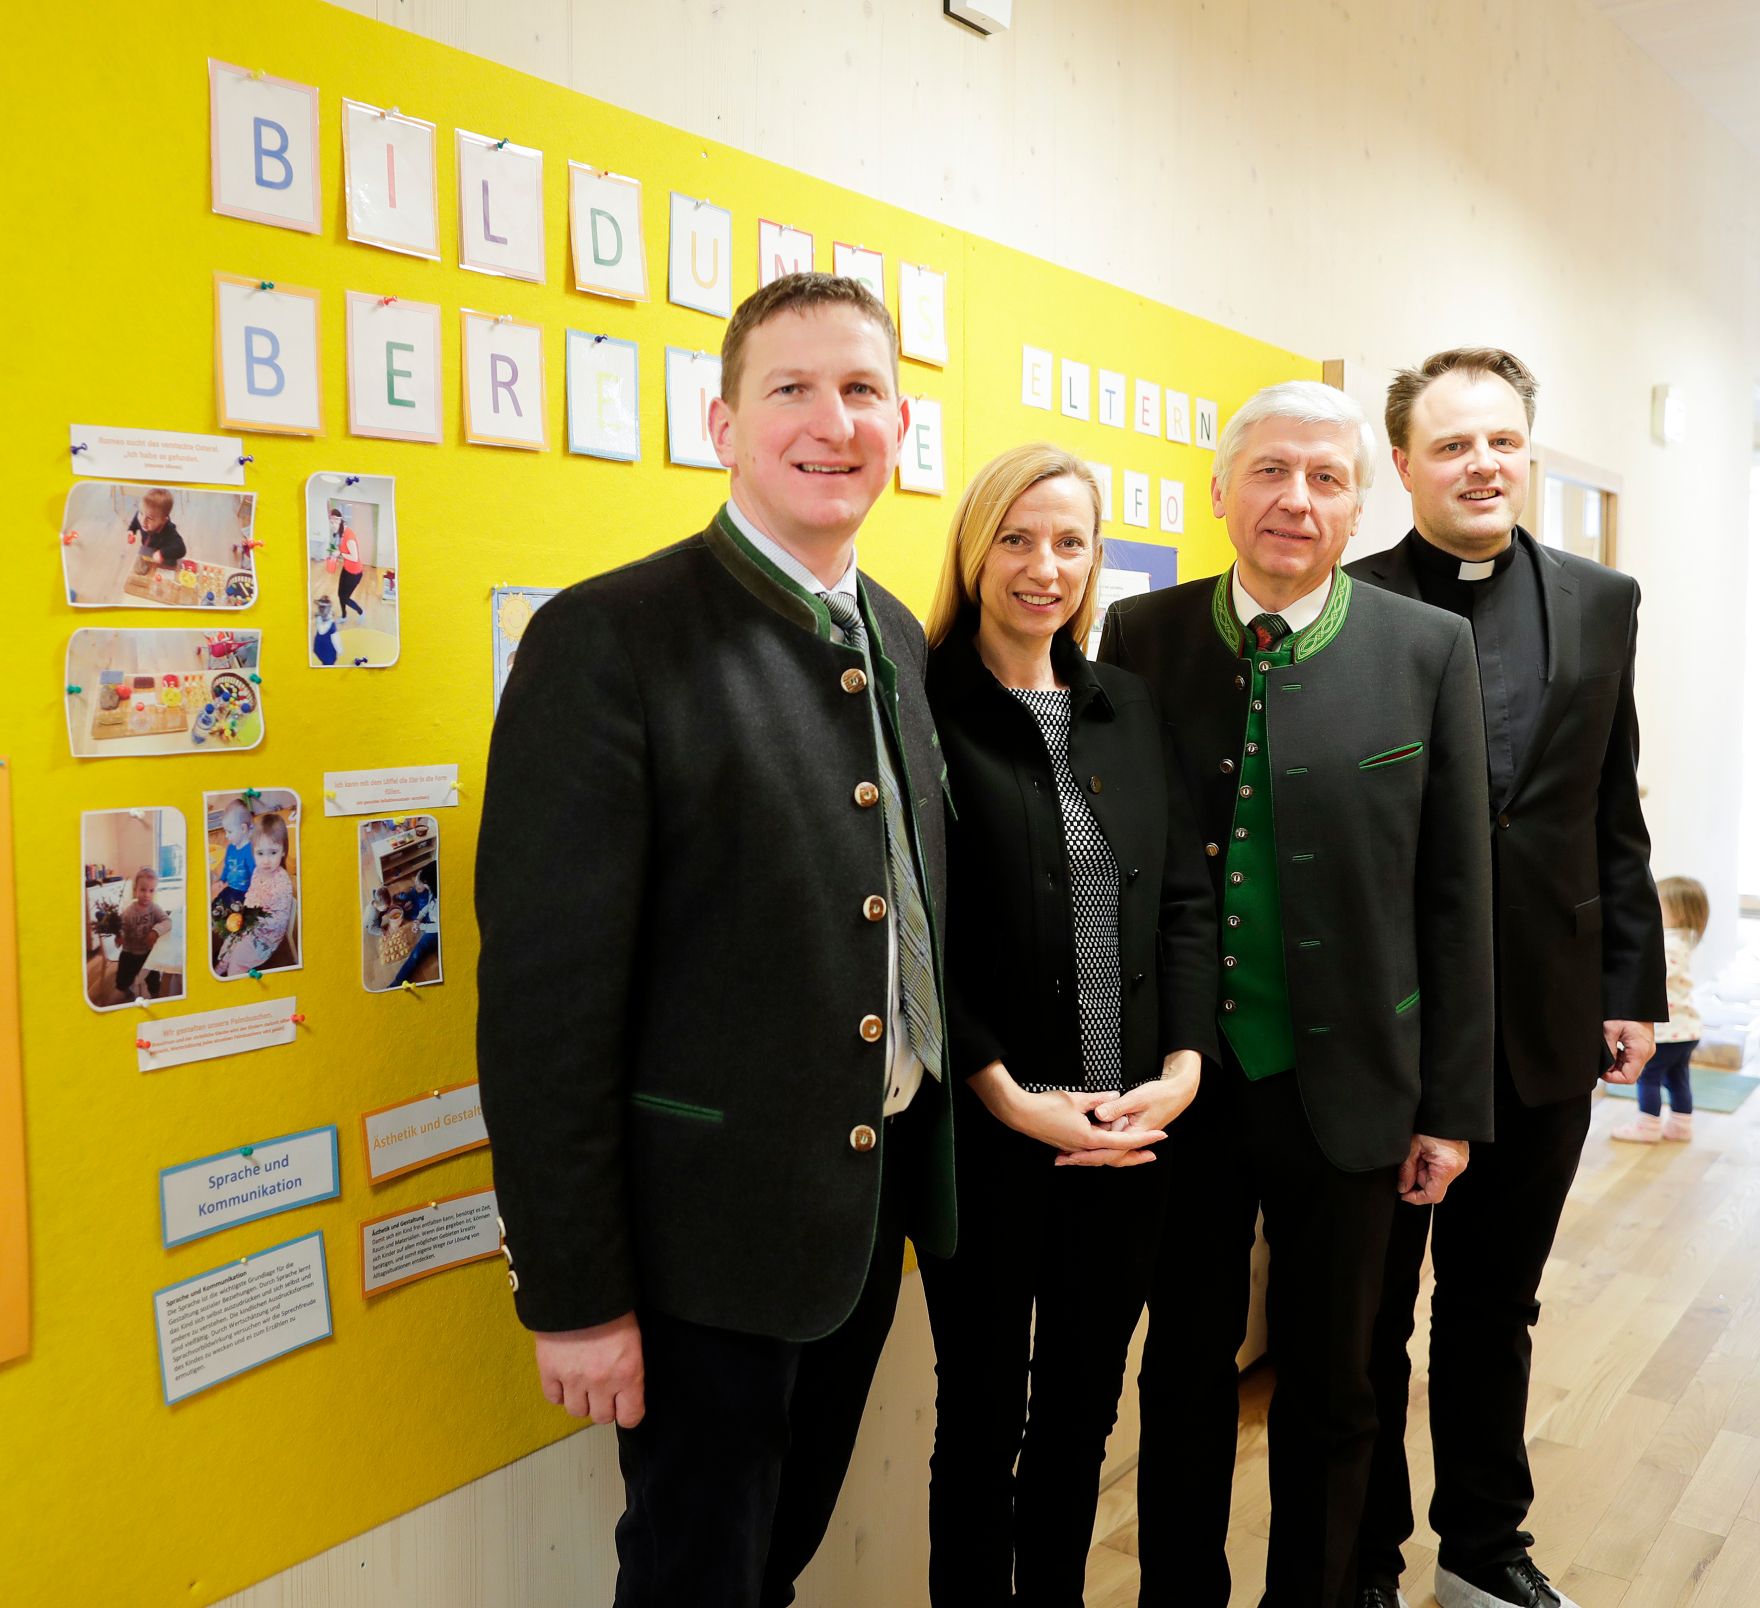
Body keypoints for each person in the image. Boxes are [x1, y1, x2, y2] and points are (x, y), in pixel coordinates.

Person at [475, 272, 954, 1608]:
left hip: (859, 1223)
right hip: (700, 1244)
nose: (831, 419)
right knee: (695, 1576)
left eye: (862, 390)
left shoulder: (898, 637)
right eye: (790, 388)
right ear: (720, 423)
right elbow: (542, 1003)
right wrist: (570, 1291)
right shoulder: (607, 637)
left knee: (776, 1559)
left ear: (901, 425)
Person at [1099, 379, 1494, 1608]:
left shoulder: (1426, 648)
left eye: (1324, 478)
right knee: (1180, 1379)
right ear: (1218, 490)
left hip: (1356, 1087)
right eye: (1269, 471)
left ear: (1358, 497)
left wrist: (1449, 1108)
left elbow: (1454, 892)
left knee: (1336, 1383)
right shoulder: (1140, 638)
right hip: (1186, 1082)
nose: (1295, 500)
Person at [1349, 347, 1667, 1608]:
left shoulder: (1600, 599)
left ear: (1526, 450)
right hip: (1387, 1030)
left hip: (1542, 1025)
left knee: (1495, 1307)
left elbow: (1609, 804)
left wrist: (1631, 982)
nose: (1481, 463)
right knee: (1368, 1320)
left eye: (1500, 441)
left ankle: (1482, 1549)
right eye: (1450, 445)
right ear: (1402, 465)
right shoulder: (1351, 601)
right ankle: (1360, 1558)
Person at [919, 445, 1218, 1606]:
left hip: (1128, 1132)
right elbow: (919, 929)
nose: (1042, 567)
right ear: (974, 548)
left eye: (1068, 543)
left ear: (1095, 561)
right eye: (1016, 538)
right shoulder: (924, 708)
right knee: (981, 1418)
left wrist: (1184, 1067)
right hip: (992, 1134)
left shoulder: (1123, 706)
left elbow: (1182, 902)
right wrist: (1001, 1090)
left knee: (1080, 1419)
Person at [1613, 876, 1706, 1144]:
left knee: (1648, 1077)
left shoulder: (1669, 944)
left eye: (1658, 906)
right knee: (1678, 1078)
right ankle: (1681, 1124)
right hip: (1686, 1031)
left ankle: (1648, 1125)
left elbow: (1656, 973)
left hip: (1669, 1032)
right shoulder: (1685, 941)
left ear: (1677, 912)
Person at [219, 812, 295, 977]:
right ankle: (222, 966)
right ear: (253, 852)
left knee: (238, 960)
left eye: (273, 852)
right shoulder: (257, 872)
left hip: (265, 939)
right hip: (250, 925)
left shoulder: (282, 883)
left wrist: (253, 919)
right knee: (228, 944)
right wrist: (244, 910)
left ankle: (235, 977)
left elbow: (278, 921)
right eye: (260, 854)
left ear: (283, 851)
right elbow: (252, 892)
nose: (266, 861)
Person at [113, 867, 171, 1001]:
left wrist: (155, 931)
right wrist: (119, 936)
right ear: (135, 890)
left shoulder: (154, 908)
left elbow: (167, 921)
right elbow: (121, 926)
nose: (147, 894)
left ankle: (155, 994)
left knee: (154, 978)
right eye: (143, 890)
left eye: (151, 890)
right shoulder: (129, 911)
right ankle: (126, 992)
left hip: (148, 952)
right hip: (130, 952)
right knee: (122, 979)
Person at [210, 799, 254, 916]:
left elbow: (255, 874)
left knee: (234, 914)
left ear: (243, 829)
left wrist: (253, 895)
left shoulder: (250, 851)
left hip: (245, 893)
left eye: (229, 832)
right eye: (225, 831)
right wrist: (222, 880)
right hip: (230, 889)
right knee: (215, 905)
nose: (226, 836)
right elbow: (227, 867)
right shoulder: (230, 848)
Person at [130, 488, 186, 571]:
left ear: (163, 520)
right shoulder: (142, 518)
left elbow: (181, 549)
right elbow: (136, 519)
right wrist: (132, 530)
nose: (143, 521)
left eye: (149, 518)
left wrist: (162, 553)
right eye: (141, 513)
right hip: (148, 551)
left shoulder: (169, 531)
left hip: (165, 558)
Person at [331, 509, 366, 618]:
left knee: (344, 598)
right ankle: (344, 616)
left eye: (334, 523)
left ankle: (361, 612)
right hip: (346, 569)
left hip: (355, 574)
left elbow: (354, 558)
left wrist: (340, 553)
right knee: (340, 594)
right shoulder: (340, 534)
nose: (332, 525)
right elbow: (340, 547)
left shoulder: (349, 536)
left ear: (340, 522)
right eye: (331, 522)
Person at [311, 595, 339, 666]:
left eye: (323, 607)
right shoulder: (322, 620)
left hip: (326, 650)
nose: (321, 608)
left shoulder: (323, 619)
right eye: (320, 607)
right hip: (325, 649)